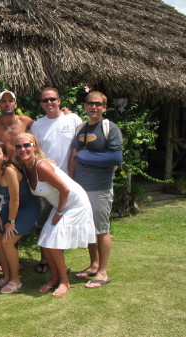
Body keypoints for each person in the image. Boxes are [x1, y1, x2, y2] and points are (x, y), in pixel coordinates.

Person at [15, 133, 95, 297]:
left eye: (26, 145)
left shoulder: (41, 166)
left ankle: (64, 282)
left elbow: (65, 189)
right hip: (60, 204)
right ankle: (54, 278)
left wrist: (59, 212)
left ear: (34, 146)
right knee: (45, 242)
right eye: (19, 146)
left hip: (74, 204)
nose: (23, 149)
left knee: (53, 244)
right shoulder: (24, 166)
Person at [69, 91, 123, 288]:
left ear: (104, 108)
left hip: (100, 187)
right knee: (89, 229)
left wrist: (86, 157)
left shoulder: (110, 128)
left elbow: (116, 159)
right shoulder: (81, 128)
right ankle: (93, 265)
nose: (94, 107)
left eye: (98, 104)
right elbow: (75, 155)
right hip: (81, 186)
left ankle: (102, 273)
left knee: (101, 230)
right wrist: (71, 181)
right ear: (85, 106)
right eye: (90, 104)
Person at [30, 87, 83, 273]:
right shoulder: (37, 125)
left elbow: (80, 146)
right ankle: (45, 260)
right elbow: (34, 153)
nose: (49, 103)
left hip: (67, 181)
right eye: (45, 100)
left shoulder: (74, 119)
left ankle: (59, 263)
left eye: (52, 99)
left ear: (59, 101)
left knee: (61, 225)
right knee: (46, 223)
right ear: (41, 104)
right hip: (45, 184)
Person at [0, 141, 39, 293]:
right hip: (11, 207)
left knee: (7, 240)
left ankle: (16, 279)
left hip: (27, 206)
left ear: (5, 156)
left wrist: (11, 222)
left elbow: (15, 198)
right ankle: (7, 275)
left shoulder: (9, 170)